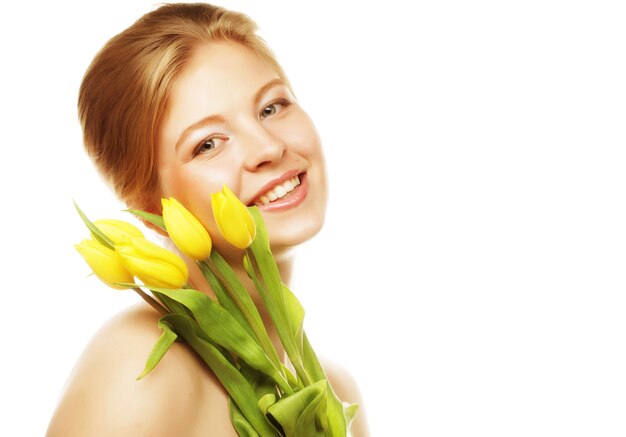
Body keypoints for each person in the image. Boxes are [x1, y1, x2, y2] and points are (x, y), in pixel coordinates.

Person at [47, 3, 369, 436]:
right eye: (209, 144)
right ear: (153, 208)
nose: (268, 148)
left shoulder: (335, 390)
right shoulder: (139, 368)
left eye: (272, 107)